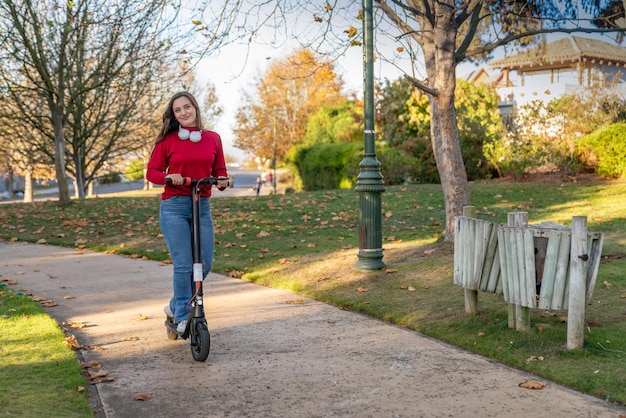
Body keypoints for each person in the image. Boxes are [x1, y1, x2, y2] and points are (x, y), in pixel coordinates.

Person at [146, 91, 229, 333]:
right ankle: (182, 316)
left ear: (195, 107)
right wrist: (167, 176)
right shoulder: (167, 141)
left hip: (201, 206)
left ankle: (174, 306)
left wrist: (222, 180)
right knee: (183, 265)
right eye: (178, 110)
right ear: (174, 116)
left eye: (187, 107)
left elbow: (219, 169)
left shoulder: (213, 138)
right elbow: (152, 172)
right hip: (174, 206)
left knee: (205, 263)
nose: (183, 112)